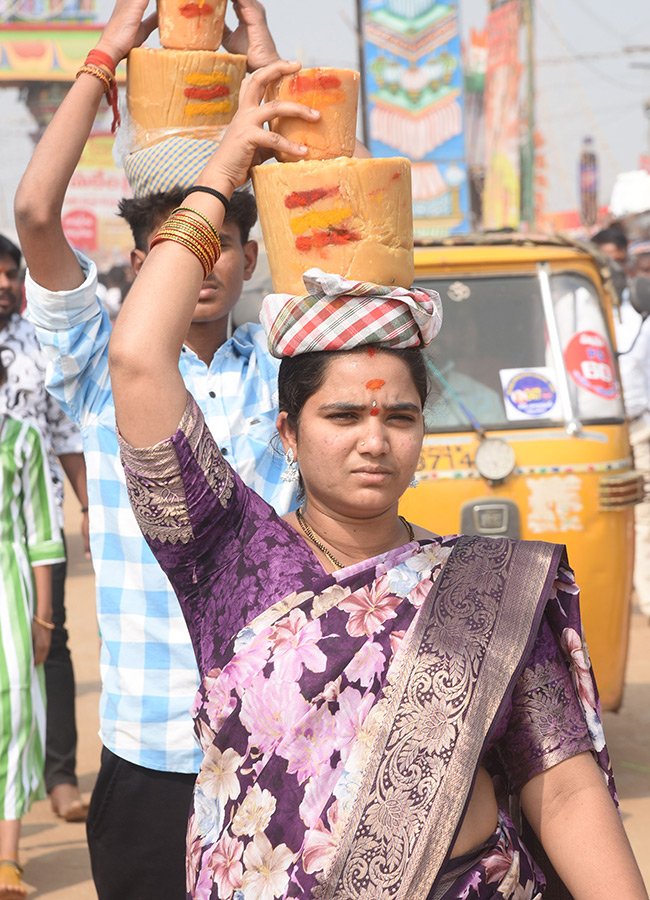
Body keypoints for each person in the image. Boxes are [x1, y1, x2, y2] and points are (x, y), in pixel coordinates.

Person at [108, 54, 648, 900]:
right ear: (288, 430)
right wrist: (220, 175)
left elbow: (565, 785)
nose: (374, 440)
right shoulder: (225, 553)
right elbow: (139, 359)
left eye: (398, 416)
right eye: (344, 416)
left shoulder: (481, 593)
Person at [14, 0, 302, 897]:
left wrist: (258, 49)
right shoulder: (102, 369)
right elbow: (32, 210)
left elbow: (324, 202)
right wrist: (110, 52)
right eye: (181, 242)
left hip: (275, 739)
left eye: (222, 241)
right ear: (144, 264)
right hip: (145, 756)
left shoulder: (286, 370)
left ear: (251, 259)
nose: (204, 259)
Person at [0, 234, 89, 823]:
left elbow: (65, 435)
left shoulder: (40, 346)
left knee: (49, 642)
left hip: (35, 530)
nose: (6, 285)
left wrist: (92, 510)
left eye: (12, 274)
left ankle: (59, 775)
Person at [0, 350, 65, 900]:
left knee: (13, 714)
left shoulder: (21, 438)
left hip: (11, 598)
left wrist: (44, 617)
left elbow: (43, 530)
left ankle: (8, 857)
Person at [593, 228, 650, 620]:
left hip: (639, 429)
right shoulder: (573, 315)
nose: (612, 267)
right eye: (604, 258)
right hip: (595, 436)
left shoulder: (639, 315)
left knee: (645, 516)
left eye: (618, 258)